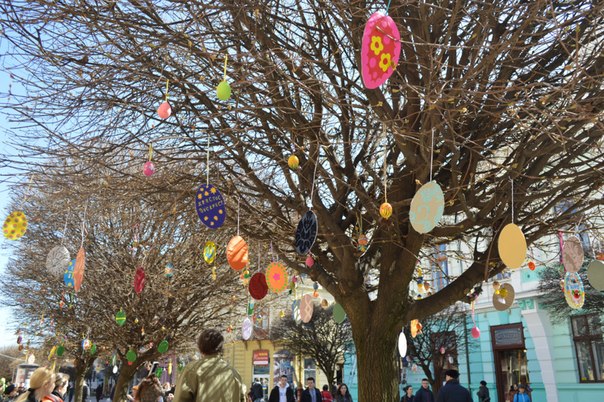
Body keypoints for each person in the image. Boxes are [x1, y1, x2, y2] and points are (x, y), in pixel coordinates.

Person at [173, 328, 247, 402]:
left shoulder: (192, 370)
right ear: (221, 348)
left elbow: (179, 399)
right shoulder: (234, 374)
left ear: (200, 347)